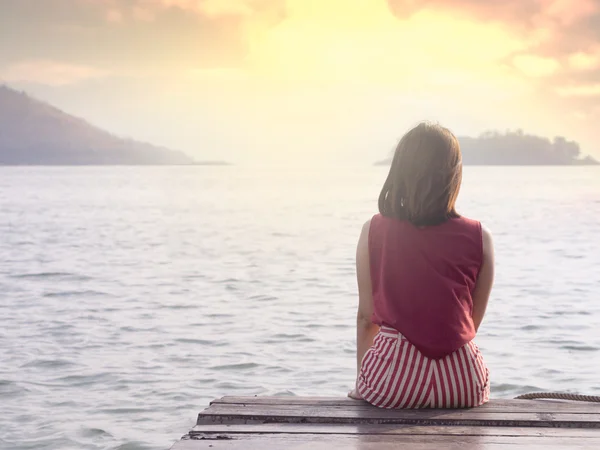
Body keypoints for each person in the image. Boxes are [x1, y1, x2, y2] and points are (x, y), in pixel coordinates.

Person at [348, 122, 494, 409]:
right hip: (463, 381)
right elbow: (471, 321)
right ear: (453, 174)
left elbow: (367, 318)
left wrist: (362, 382)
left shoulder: (373, 230)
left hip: (392, 380)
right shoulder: (480, 236)